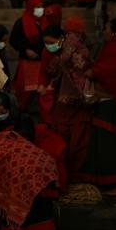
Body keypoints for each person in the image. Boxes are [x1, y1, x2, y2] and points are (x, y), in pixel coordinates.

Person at [80, 18, 116, 196]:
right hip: (115, 102)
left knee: (109, 144)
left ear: (114, 32)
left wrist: (93, 72)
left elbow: (113, 69)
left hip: (111, 103)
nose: (103, 31)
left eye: (106, 28)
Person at [39, 23, 93, 182]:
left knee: (79, 143)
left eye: (51, 42)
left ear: (62, 39)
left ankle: (76, 177)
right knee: (60, 139)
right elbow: (48, 71)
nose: (49, 46)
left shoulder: (79, 51)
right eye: (46, 43)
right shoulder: (54, 54)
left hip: (79, 103)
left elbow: (81, 73)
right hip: (61, 104)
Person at [9, 0, 52, 112]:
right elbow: (13, 41)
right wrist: (25, 50)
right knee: (25, 92)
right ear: (31, 8)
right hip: (27, 62)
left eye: (42, 7)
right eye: (38, 7)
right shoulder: (21, 22)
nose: (40, 9)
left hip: (42, 62)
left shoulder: (45, 22)